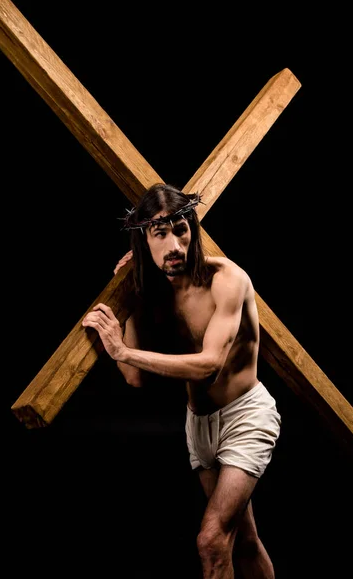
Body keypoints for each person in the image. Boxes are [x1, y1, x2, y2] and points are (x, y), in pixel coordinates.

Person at [82, 183, 281, 578]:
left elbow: (209, 365)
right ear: (145, 239)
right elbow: (135, 377)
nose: (174, 244)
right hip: (200, 426)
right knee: (241, 540)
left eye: (181, 230)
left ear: (192, 229)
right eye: (160, 233)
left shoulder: (227, 279)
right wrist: (129, 300)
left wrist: (121, 350)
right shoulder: (157, 292)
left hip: (246, 417)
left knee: (210, 541)